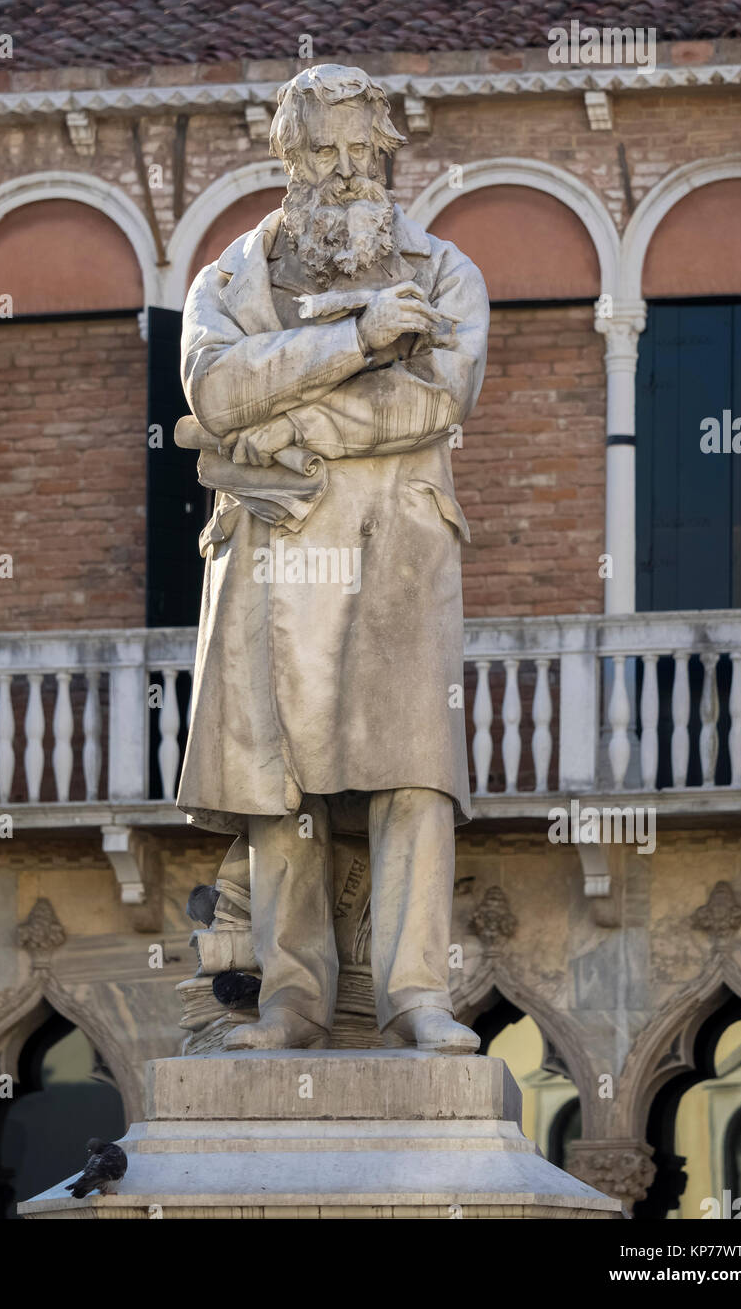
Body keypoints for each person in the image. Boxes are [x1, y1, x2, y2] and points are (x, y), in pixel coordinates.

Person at [175, 64, 489, 1052]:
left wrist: (281, 425)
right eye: (322, 151)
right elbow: (215, 394)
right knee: (283, 786)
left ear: (384, 149)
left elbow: (431, 401)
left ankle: (414, 995)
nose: (346, 171)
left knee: (410, 771)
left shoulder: (444, 275)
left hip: (395, 550)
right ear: (287, 155)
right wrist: (355, 338)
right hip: (273, 559)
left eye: (362, 150)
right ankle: (290, 1001)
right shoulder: (225, 282)